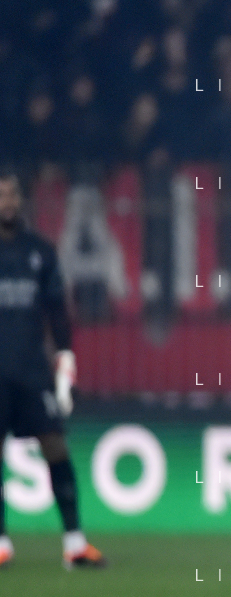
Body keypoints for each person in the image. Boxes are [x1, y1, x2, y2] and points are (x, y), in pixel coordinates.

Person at [0, 171, 105, 569]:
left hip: (31, 369)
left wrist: (66, 356)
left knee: (56, 446)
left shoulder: (40, 251)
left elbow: (57, 310)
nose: (8, 202)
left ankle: (75, 544)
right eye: (1, 196)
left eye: (12, 194)